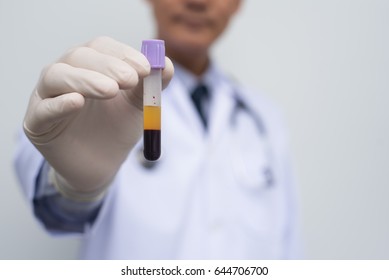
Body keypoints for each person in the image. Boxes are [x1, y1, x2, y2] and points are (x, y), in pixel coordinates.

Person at [14, 0, 301, 259]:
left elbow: (289, 250)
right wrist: (74, 188)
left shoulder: (265, 119)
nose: (197, 2)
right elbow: (59, 214)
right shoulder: (94, 93)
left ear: (237, 4)